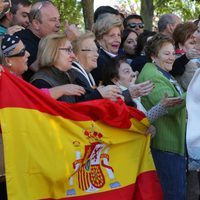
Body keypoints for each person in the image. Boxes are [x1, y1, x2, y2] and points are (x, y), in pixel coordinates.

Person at [137, 33, 187, 200]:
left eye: (173, 53)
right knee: (173, 195)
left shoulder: (163, 72)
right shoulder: (152, 74)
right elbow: (170, 106)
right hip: (164, 147)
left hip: (173, 145)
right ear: (153, 55)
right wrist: (194, 91)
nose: (171, 57)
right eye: (166, 53)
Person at [102, 55, 183, 123]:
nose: (133, 74)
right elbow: (139, 123)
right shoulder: (116, 99)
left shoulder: (131, 96)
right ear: (115, 80)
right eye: (127, 71)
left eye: (132, 70)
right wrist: (162, 105)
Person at [30, 33, 85, 103]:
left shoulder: (68, 74)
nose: (73, 55)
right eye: (68, 50)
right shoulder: (40, 82)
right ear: (52, 51)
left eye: (72, 50)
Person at [70, 31, 122, 102]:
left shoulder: (85, 75)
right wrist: (99, 94)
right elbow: (79, 105)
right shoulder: (74, 76)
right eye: (91, 50)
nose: (97, 55)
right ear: (75, 55)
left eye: (97, 51)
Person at [172, 22, 198, 90]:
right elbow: (175, 68)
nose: (196, 46)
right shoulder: (175, 58)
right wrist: (186, 57)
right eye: (192, 43)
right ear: (180, 45)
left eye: (198, 42)